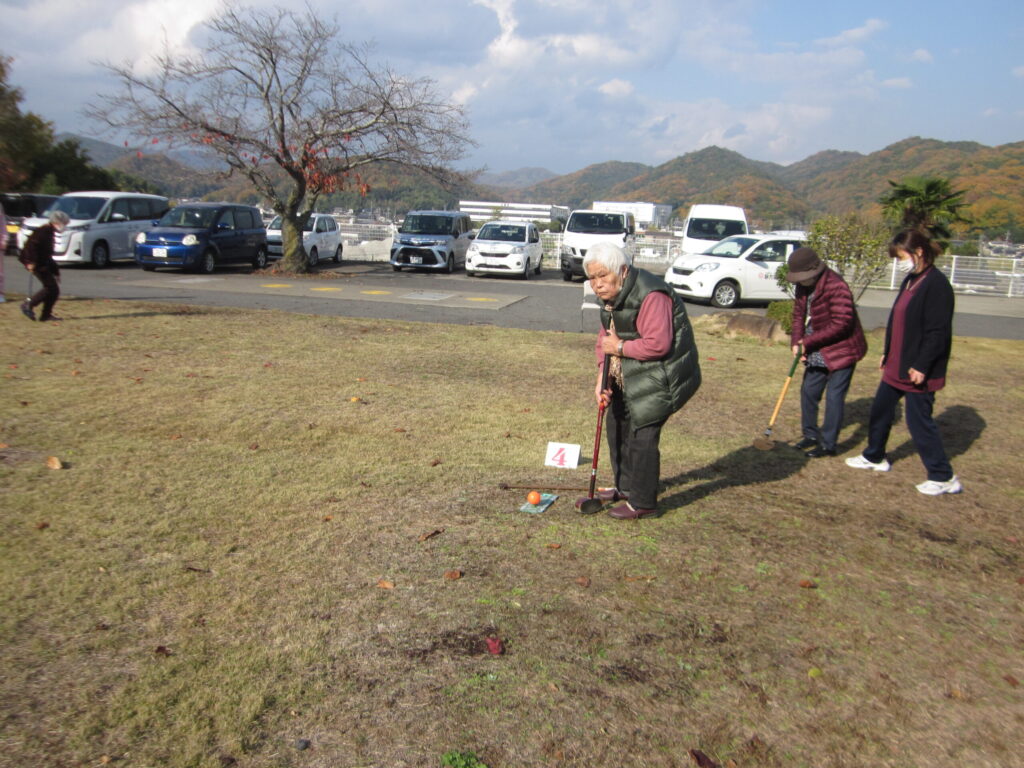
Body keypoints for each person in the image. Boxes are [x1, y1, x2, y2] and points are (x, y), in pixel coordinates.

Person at [579, 242, 701, 519]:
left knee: (642, 433)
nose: (597, 284)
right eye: (592, 277)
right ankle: (625, 487)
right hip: (632, 368)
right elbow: (604, 338)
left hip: (664, 372)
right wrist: (602, 375)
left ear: (622, 271)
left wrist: (620, 348)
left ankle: (644, 502)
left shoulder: (652, 294)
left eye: (603, 276)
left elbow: (659, 344)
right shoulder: (611, 296)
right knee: (617, 422)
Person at [845, 228, 962, 495]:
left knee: (919, 422)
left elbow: (937, 332)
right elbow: (898, 319)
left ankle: (943, 476)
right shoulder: (910, 280)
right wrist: (887, 350)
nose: (899, 263)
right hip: (897, 363)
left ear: (918, 252)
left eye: (901, 257)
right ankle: (875, 456)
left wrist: (922, 365)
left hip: (918, 369)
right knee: (880, 411)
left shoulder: (937, 285)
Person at [786, 246, 867, 457]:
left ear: (814, 271)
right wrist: (796, 342)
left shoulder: (836, 285)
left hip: (842, 348)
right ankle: (810, 434)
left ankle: (828, 444)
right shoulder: (804, 285)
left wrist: (808, 342)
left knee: (834, 397)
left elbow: (842, 323)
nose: (800, 281)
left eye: (803, 276)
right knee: (809, 391)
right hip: (816, 344)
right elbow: (798, 315)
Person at [18, 210, 69, 322]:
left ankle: (46, 315)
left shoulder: (50, 232)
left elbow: (48, 255)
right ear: (57, 222)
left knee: (54, 290)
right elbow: (31, 246)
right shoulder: (43, 231)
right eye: (64, 224)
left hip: (43, 263)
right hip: (37, 264)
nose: (65, 227)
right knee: (50, 287)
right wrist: (30, 262)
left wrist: (56, 272)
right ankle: (29, 305)